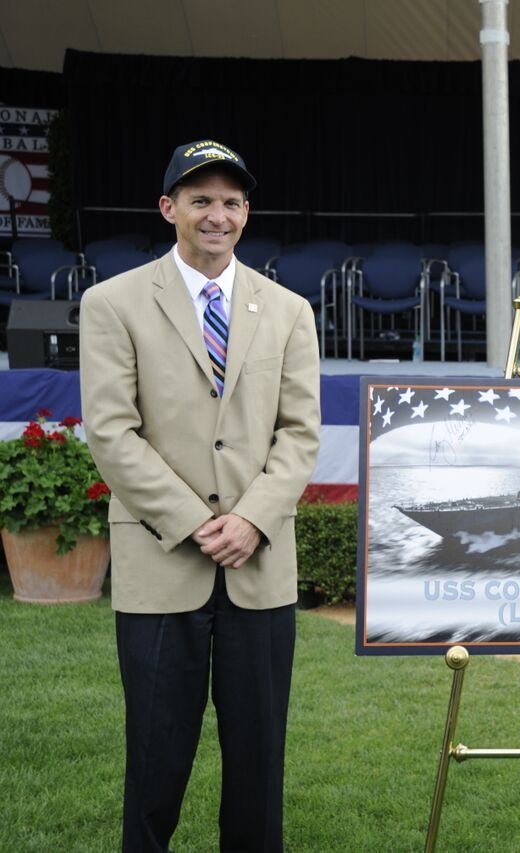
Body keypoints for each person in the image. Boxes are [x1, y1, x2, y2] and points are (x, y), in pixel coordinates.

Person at [80, 140, 321, 853]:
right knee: (155, 758)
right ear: (169, 210)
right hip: (161, 566)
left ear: (246, 213)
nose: (218, 215)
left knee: (258, 762)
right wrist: (196, 522)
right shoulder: (112, 303)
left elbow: (301, 433)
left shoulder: (288, 310)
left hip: (260, 565)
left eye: (231, 202)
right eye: (201, 201)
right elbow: (112, 433)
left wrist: (250, 518)